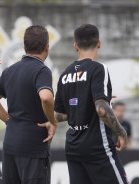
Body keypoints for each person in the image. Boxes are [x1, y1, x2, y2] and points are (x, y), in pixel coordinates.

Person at [54, 24, 129, 184]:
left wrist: (86, 106)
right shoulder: (98, 69)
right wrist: (122, 132)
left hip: (73, 147)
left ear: (75, 45)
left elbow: (58, 116)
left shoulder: (65, 74)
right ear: (99, 43)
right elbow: (101, 109)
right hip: (97, 147)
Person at [0, 25, 57, 184]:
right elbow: (46, 98)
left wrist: (9, 120)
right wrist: (52, 121)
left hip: (11, 143)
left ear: (25, 47)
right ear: (47, 47)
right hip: (33, 145)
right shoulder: (42, 70)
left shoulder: (10, 71)